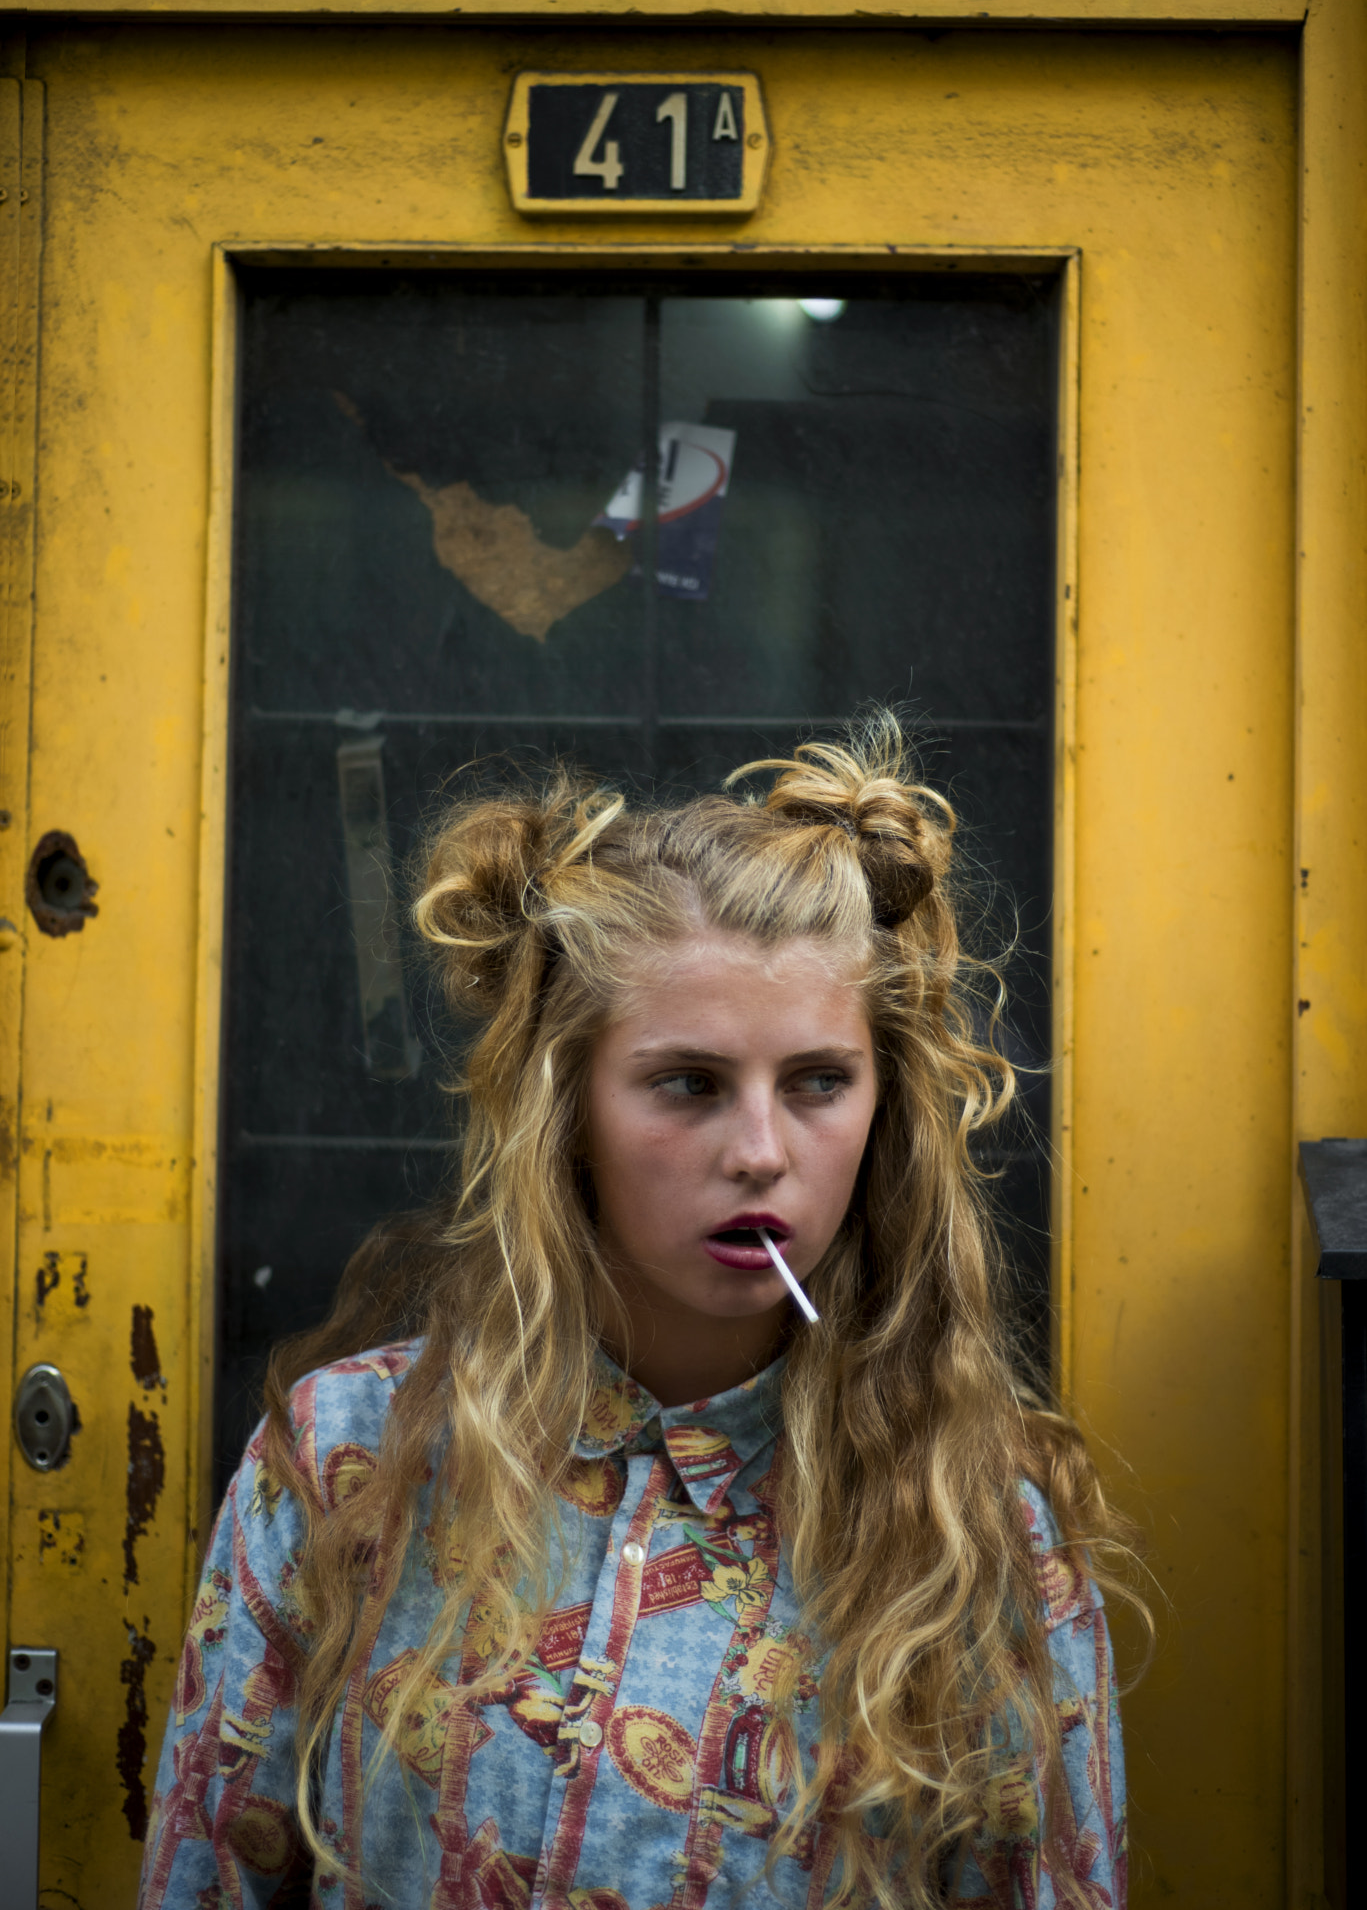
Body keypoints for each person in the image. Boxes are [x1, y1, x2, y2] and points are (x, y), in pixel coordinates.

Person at [139, 714, 1138, 1910]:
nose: (761, 1152)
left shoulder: (982, 1531)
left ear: (884, 1105)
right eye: (687, 1083)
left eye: (819, 1081)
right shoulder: (346, 1458)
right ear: (568, 1105)